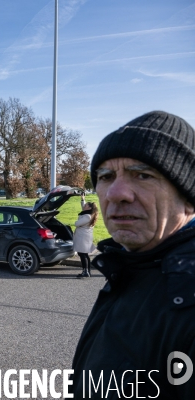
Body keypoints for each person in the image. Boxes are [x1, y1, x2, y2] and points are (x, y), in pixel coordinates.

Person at [70, 111, 195, 398]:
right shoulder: (129, 266)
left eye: (143, 175)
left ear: (188, 197)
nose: (116, 193)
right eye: (106, 176)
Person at [73, 193, 98, 278]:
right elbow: (83, 207)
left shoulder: (87, 216)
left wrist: (76, 222)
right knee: (85, 254)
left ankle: (85, 271)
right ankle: (88, 271)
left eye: (86, 205)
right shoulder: (89, 214)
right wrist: (83, 199)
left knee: (82, 254)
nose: (84, 206)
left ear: (89, 208)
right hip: (85, 237)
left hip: (83, 237)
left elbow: (77, 224)